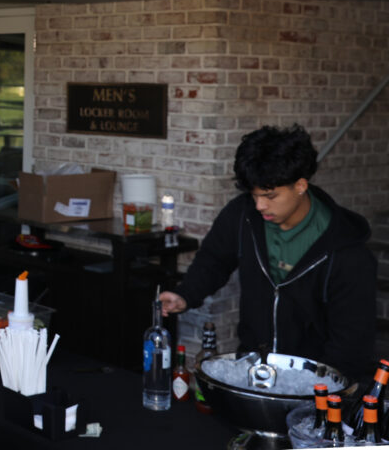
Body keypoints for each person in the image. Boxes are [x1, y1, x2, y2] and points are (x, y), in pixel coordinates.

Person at [160, 124, 376, 381]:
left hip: (312, 380)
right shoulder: (242, 215)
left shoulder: (347, 251)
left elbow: (351, 340)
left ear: (300, 185)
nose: (260, 205)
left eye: (270, 196)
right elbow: (214, 259)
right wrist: (185, 294)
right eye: (254, 195)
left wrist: (322, 389)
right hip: (253, 367)